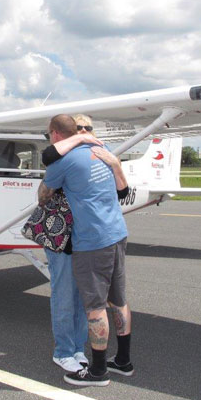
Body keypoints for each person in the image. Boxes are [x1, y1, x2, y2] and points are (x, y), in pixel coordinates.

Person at [38, 114, 133, 387]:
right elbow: (122, 191)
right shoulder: (105, 152)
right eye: (81, 129)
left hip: (91, 241)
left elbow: (44, 193)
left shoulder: (64, 161)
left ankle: (98, 371)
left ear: (56, 135)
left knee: (94, 307)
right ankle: (123, 361)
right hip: (117, 233)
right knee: (119, 301)